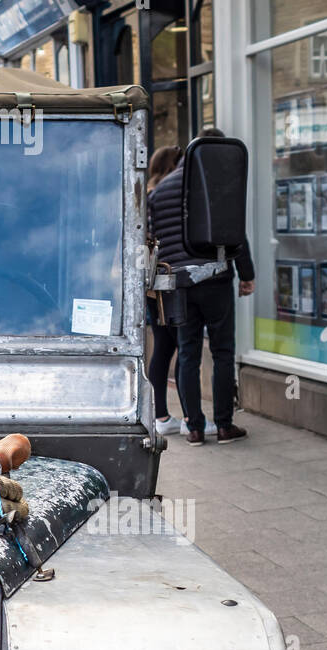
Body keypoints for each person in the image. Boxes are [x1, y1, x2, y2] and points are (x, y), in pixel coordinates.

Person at [148, 129, 255, 445]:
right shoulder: (215, 185)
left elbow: (155, 240)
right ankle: (224, 425)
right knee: (223, 351)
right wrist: (246, 273)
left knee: (188, 352)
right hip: (215, 278)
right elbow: (235, 234)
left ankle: (193, 427)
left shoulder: (159, 191)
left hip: (179, 284)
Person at [145, 144, 184, 436]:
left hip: (153, 287)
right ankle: (182, 417)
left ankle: (160, 414)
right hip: (167, 282)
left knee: (163, 347)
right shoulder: (166, 194)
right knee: (181, 346)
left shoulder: (147, 194)